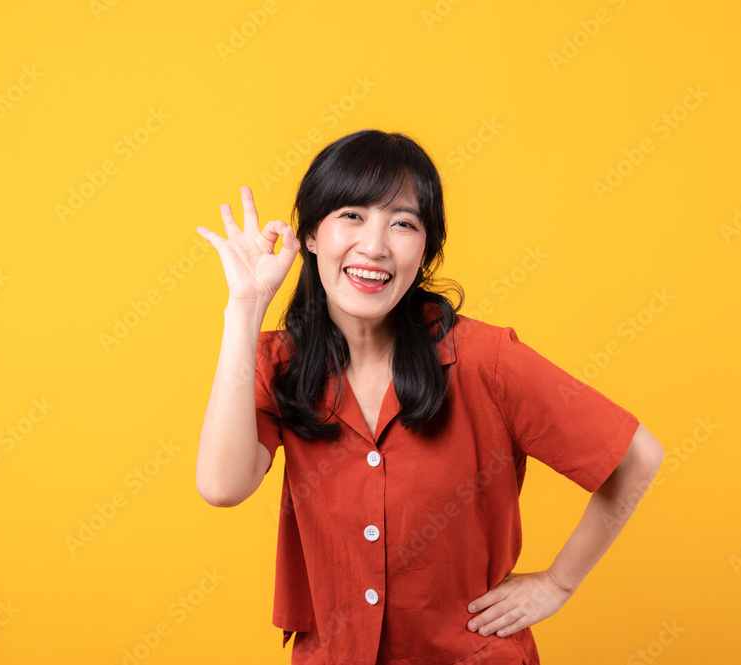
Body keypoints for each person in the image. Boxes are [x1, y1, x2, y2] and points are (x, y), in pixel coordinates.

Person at [195, 129, 664, 664]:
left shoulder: (485, 358)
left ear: (426, 249)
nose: (374, 246)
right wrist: (245, 309)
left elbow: (637, 456)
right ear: (311, 236)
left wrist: (558, 583)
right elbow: (221, 485)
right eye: (351, 215)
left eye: (402, 223)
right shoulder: (280, 363)